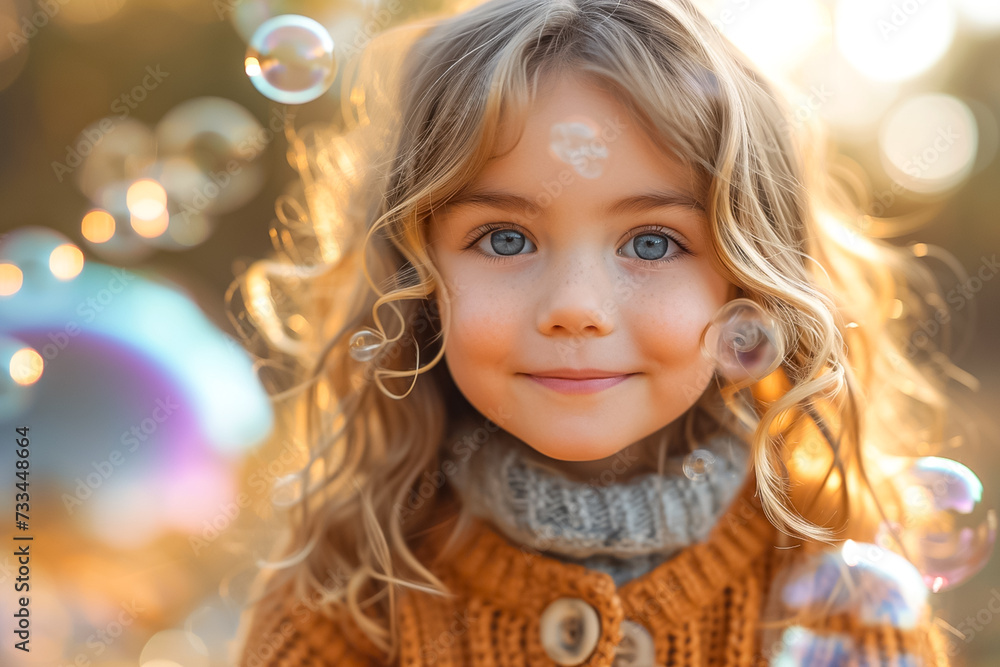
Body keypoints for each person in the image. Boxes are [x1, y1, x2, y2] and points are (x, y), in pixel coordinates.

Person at [230, 0, 971, 664]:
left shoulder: (838, 590)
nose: (576, 307)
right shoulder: (348, 595)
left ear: (750, 285)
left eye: (652, 242)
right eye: (504, 238)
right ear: (414, 280)